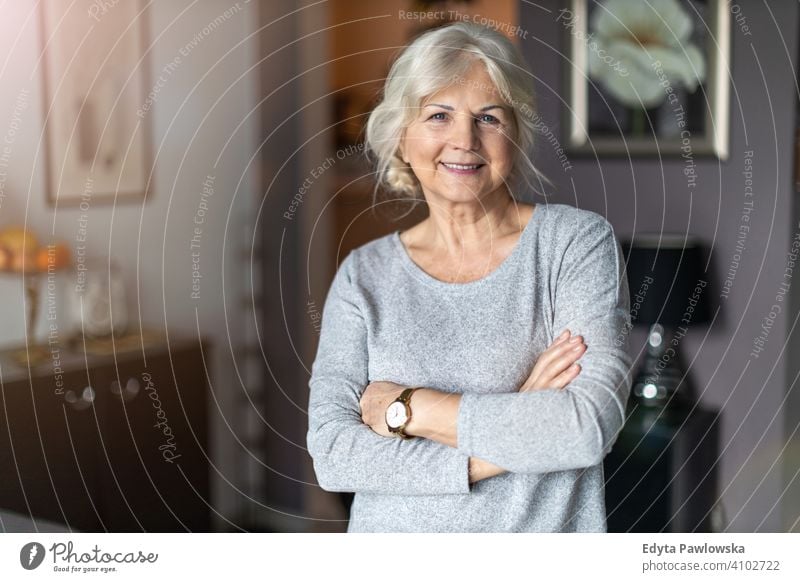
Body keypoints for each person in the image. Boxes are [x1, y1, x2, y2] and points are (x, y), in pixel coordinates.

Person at [306, 21, 632, 532]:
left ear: (515, 134)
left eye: (488, 117)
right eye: (438, 115)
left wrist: (409, 410)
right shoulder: (362, 276)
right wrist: (516, 424)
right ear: (401, 139)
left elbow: (586, 426)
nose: (464, 139)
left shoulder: (574, 244)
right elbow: (334, 456)